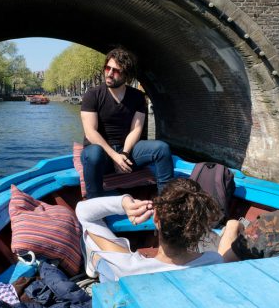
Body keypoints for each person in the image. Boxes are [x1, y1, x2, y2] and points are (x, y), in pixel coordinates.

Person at [75, 178, 224, 281]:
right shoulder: (215, 261)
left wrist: (124, 202)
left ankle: (92, 262)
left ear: (156, 219)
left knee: (93, 245)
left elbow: (83, 213)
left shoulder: (128, 268)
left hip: (121, 273)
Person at [80, 47, 174, 198]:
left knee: (161, 149)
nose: (109, 73)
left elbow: (136, 129)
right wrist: (114, 156)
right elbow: (90, 131)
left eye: (116, 70)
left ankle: (166, 200)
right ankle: (94, 201)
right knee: (93, 153)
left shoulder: (137, 97)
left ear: (127, 75)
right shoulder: (92, 95)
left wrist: (124, 153)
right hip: (102, 156)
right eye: (107, 68)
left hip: (127, 153)